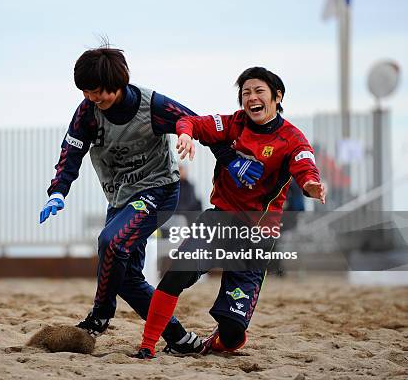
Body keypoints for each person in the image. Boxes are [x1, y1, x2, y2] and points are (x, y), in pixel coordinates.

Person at [39, 46, 261, 354]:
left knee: (111, 242)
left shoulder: (151, 106)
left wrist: (231, 160)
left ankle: (99, 317)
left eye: (99, 93)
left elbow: (198, 125)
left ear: (119, 84)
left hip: (159, 192)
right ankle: (181, 339)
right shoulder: (87, 113)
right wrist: (57, 191)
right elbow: (71, 152)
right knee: (127, 278)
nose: (93, 99)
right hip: (121, 199)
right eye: (87, 93)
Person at [135, 66, 326, 359]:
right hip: (218, 220)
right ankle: (147, 346)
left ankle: (217, 340)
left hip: (256, 236)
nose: (251, 98)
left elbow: (305, 165)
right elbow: (190, 122)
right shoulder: (233, 124)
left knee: (233, 332)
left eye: (258, 91)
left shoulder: (292, 139)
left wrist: (311, 184)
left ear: (277, 97)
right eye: (246, 92)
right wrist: (185, 135)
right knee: (176, 275)